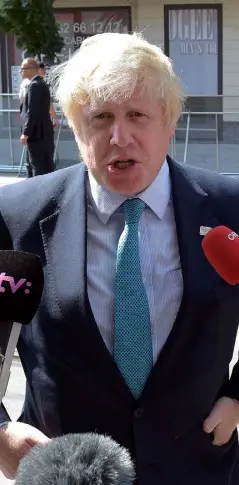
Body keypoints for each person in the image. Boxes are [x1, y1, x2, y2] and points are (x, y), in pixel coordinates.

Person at [0, 32, 239, 485]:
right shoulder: (17, 216)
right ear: (75, 125)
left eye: (137, 116)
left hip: (199, 468)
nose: (119, 136)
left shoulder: (230, 208)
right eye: (101, 117)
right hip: (67, 473)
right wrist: (0, 432)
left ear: (169, 122)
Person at [20, 58, 55, 176]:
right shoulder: (42, 83)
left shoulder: (34, 85)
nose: (21, 71)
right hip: (45, 132)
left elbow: (32, 111)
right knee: (47, 165)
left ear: (30, 69)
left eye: (22, 69)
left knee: (37, 166)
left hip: (36, 134)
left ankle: (39, 193)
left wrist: (26, 133)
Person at [38, 61, 59, 129]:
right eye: (43, 69)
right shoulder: (41, 84)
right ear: (38, 69)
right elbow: (48, 102)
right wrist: (55, 118)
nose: (45, 71)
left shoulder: (30, 82)